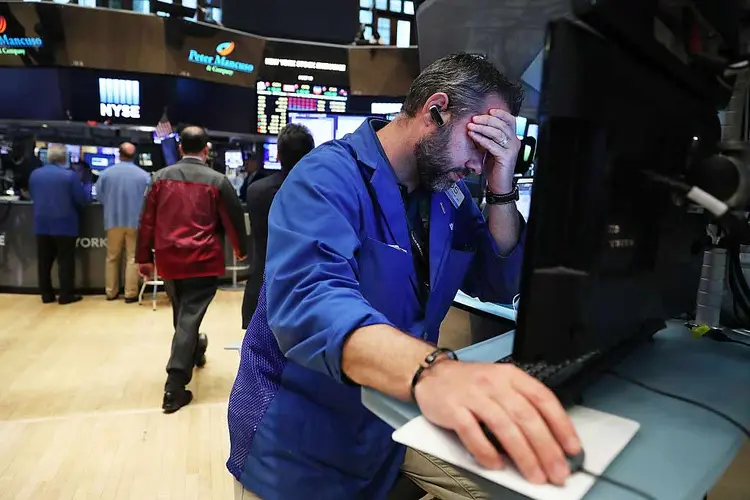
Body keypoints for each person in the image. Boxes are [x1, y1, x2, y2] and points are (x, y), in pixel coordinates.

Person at [227, 53, 582, 500]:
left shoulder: (446, 194)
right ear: (435, 110)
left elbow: (498, 278)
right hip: (299, 444)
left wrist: (501, 184)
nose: (479, 163)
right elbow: (310, 304)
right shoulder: (326, 177)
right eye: (480, 143)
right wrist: (434, 373)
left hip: (387, 426)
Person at [136, 126, 247, 414]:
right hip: (203, 259)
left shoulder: (159, 178)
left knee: (183, 312)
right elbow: (232, 219)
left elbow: (147, 221)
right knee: (188, 315)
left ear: (181, 148)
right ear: (206, 150)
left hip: (169, 259)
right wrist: (241, 249)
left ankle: (196, 347)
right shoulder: (218, 181)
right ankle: (174, 386)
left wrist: (143, 258)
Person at [240, 124, 315, 329]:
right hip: (305, 291)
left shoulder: (256, 191)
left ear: (278, 155)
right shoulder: (321, 193)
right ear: (311, 153)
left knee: (257, 357)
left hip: (261, 286)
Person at [29, 144, 90, 305]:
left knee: (44, 262)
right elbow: (81, 200)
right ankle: (66, 295)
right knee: (65, 261)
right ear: (64, 158)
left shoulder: (35, 174)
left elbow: (32, 196)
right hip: (65, 224)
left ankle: (46, 295)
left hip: (41, 223)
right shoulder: (69, 176)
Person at [96, 142, 151, 302]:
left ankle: (111, 292)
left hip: (113, 220)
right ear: (134, 155)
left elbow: (99, 196)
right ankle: (130, 293)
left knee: (112, 257)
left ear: (119, 154)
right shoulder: (144, 176)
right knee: (133, 258)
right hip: (135, 221)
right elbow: (149, 199)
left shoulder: (106, 174)